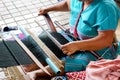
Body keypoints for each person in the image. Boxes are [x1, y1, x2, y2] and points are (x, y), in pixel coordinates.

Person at [27, 0, 120, 79]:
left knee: (64, 63)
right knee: (45, 38)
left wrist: (77, 46)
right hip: (73, 38)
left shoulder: (106, 8)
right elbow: (67, 4)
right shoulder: (79, 1)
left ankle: (36, 73)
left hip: (98, 51)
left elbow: (105, 40)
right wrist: (48, 9)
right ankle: (31, 66)